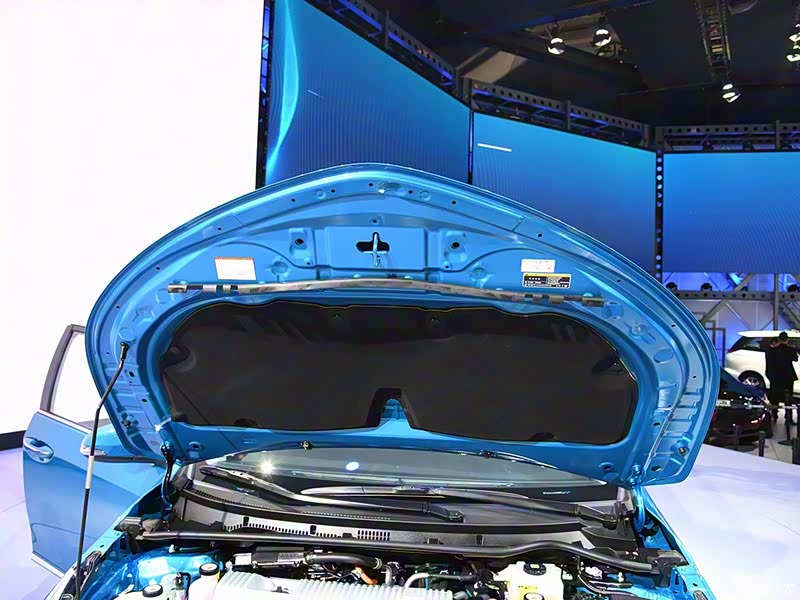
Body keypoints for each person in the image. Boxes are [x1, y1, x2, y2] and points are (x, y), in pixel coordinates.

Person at [765, 332, 799, 425]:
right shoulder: (790, 350)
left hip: (775, 377)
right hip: (787, 377)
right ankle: (788, 418)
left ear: (779, 339)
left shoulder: (772, 351)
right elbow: (795, 358)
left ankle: (774, 416)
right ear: (787, 339)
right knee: (788, 398)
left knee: (774, 397)